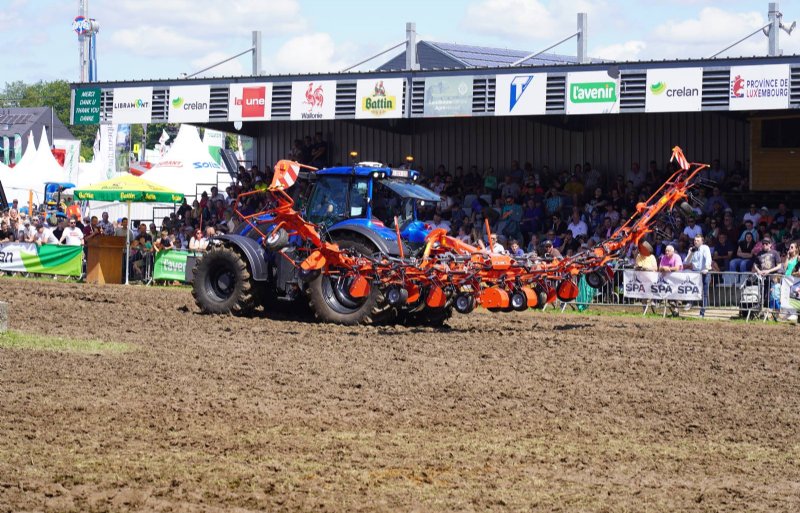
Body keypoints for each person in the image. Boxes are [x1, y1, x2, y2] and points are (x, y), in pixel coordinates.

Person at [683, 234, 712, 317]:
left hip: (705, 273)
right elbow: (686, 262)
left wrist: (706, 268)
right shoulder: (691, 249)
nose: (696, 242)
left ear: (702, 241)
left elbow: (708, 258)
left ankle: (702, 312)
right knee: (693, 290)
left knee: (704, 293)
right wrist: (691, 253)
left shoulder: (705, 248)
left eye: (698, 240)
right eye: (695, 240)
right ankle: (690, 303)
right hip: (695, 274)